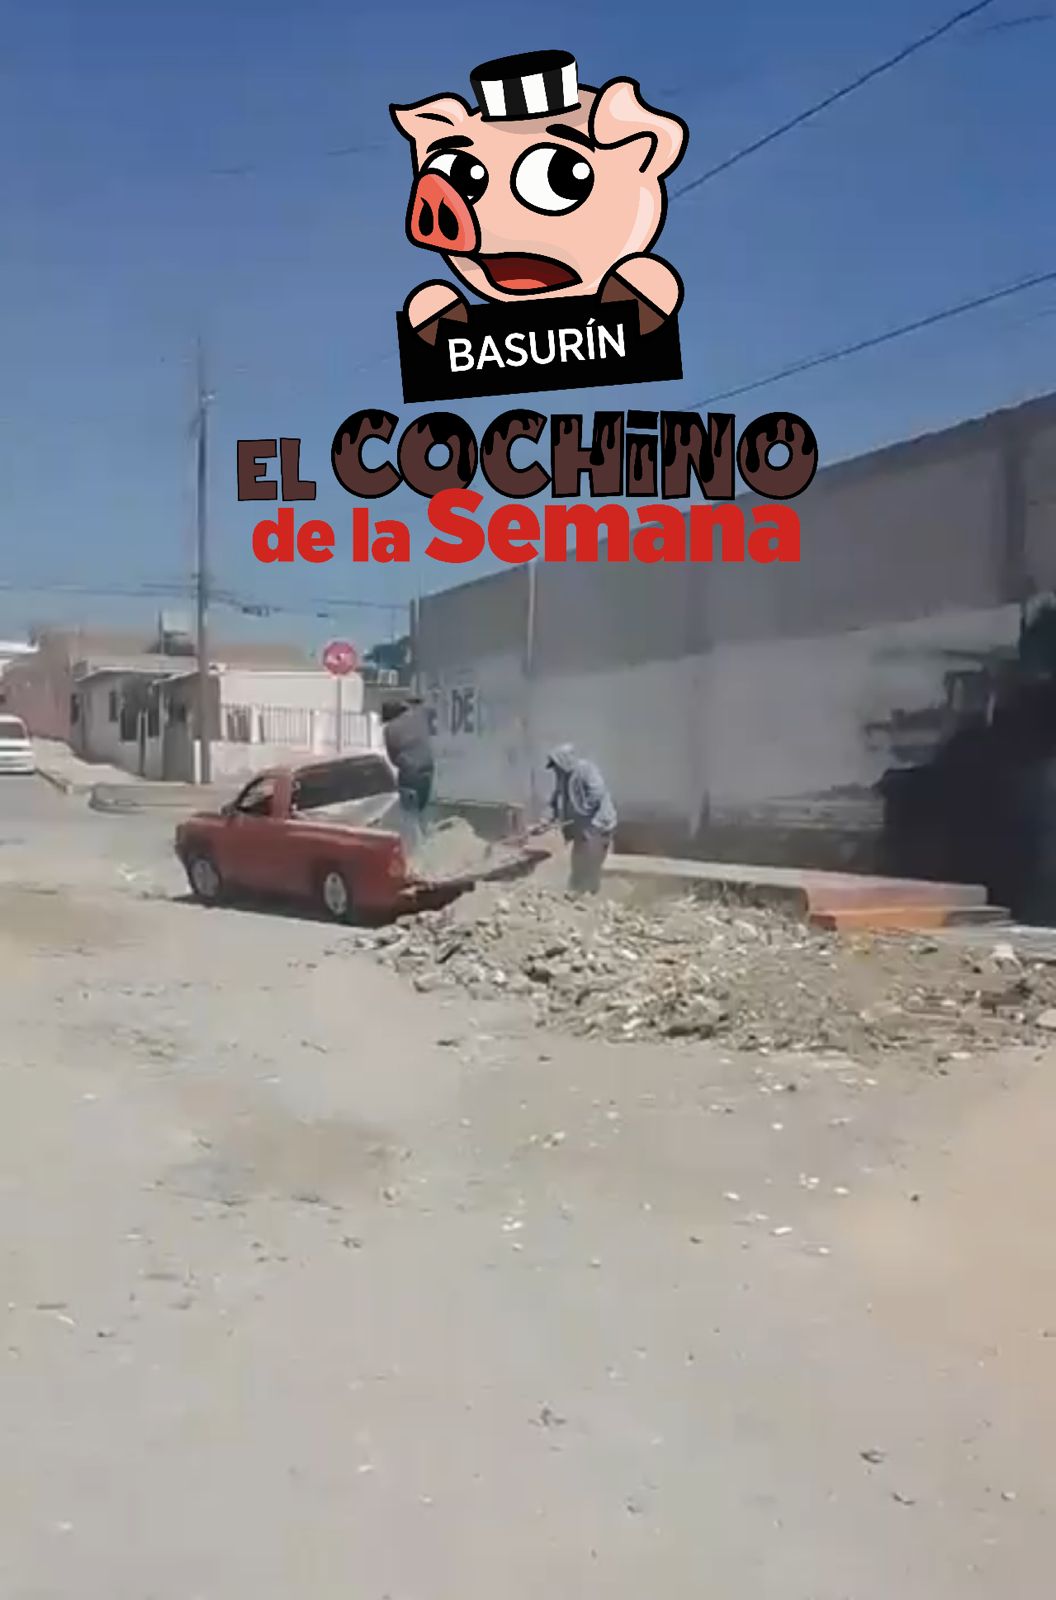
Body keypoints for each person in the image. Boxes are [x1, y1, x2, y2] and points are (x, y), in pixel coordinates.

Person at [539, 744, 617, 895]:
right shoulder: (563, 778)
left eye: (556, 766)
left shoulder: (586, 770)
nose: (555, 770)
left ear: (564, 762)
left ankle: (588, 894)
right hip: (581, 828)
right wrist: (546, 819)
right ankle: (575, 891)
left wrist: (581, 813)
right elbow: (555, 800)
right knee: (578, 860)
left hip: (597, 825)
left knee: (590, 861)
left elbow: (597, 793)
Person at [381, 696, 434, 852]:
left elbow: (392, 757)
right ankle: (425, 840)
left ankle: (413, 846)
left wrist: (404, 762)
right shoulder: (418, 716)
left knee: (409, 814)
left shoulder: (389, 729)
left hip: (409, 773)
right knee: (422, 809)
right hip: (427, 769)